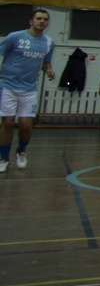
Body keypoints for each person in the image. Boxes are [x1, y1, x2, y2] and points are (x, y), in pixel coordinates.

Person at [0, 9, 56, 173]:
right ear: (31, 21)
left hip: (29, 88)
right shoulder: (15, 37)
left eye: (45, 19)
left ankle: (21, 151)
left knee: (25, 125)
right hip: (8, 86)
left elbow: (46, 63)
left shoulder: (49, 43)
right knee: (8, 122)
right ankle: (4, 158)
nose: (42, 21)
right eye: (38, 18)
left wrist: (49, 70)